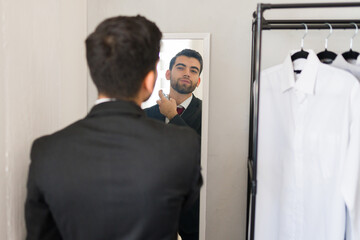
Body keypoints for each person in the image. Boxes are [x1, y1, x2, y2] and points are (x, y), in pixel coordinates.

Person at [25, 15, 202, 240]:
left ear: (95, 75)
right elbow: (188, 222)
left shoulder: (46, 151)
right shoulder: (184, 145)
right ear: (150, 81)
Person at [145, 49, 203, 240]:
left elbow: (198, 150)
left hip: (193, 211)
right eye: (181, 67)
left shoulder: (207, 113)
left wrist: (172, 115)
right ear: (168, 73)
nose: (187, 73)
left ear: (198, 81)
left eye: (194, 70)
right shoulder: (145, 116)